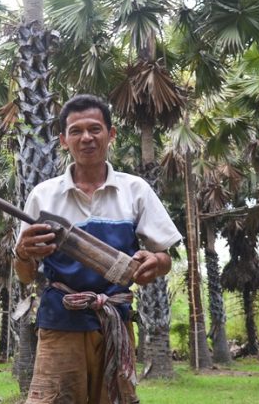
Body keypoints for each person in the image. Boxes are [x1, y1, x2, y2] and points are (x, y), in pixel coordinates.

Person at [14, 94, 182, 404]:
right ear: (63, 140)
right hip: (59, 324)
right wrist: (23, 252)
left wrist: (154, 261)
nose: (86, 138)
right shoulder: (43, 196)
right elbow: (25, 275)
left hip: (115, 325)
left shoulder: (136, 190)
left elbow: (164, 257)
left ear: (111, 134)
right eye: (76, 131)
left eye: (95, 129)